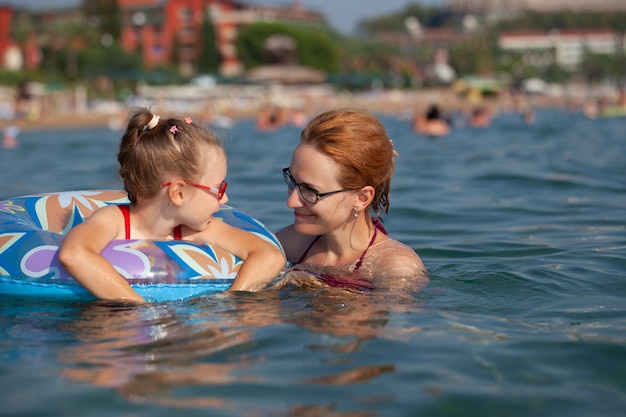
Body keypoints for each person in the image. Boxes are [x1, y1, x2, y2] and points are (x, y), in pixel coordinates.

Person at [59, 108, 286, 302]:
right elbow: (74, 254)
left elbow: (269, 255)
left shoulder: (193, 229)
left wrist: (234, 299)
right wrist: (138, 309)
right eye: (219, 189)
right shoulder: (112, 221)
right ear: (178, 192)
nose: (224, 199)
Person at [276, 108, 428, 292]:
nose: (291, 202)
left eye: (310, 191)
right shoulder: (288, 244)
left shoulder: (395, 268)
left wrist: (322, 290)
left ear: (361, 198)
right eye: (292, 181)